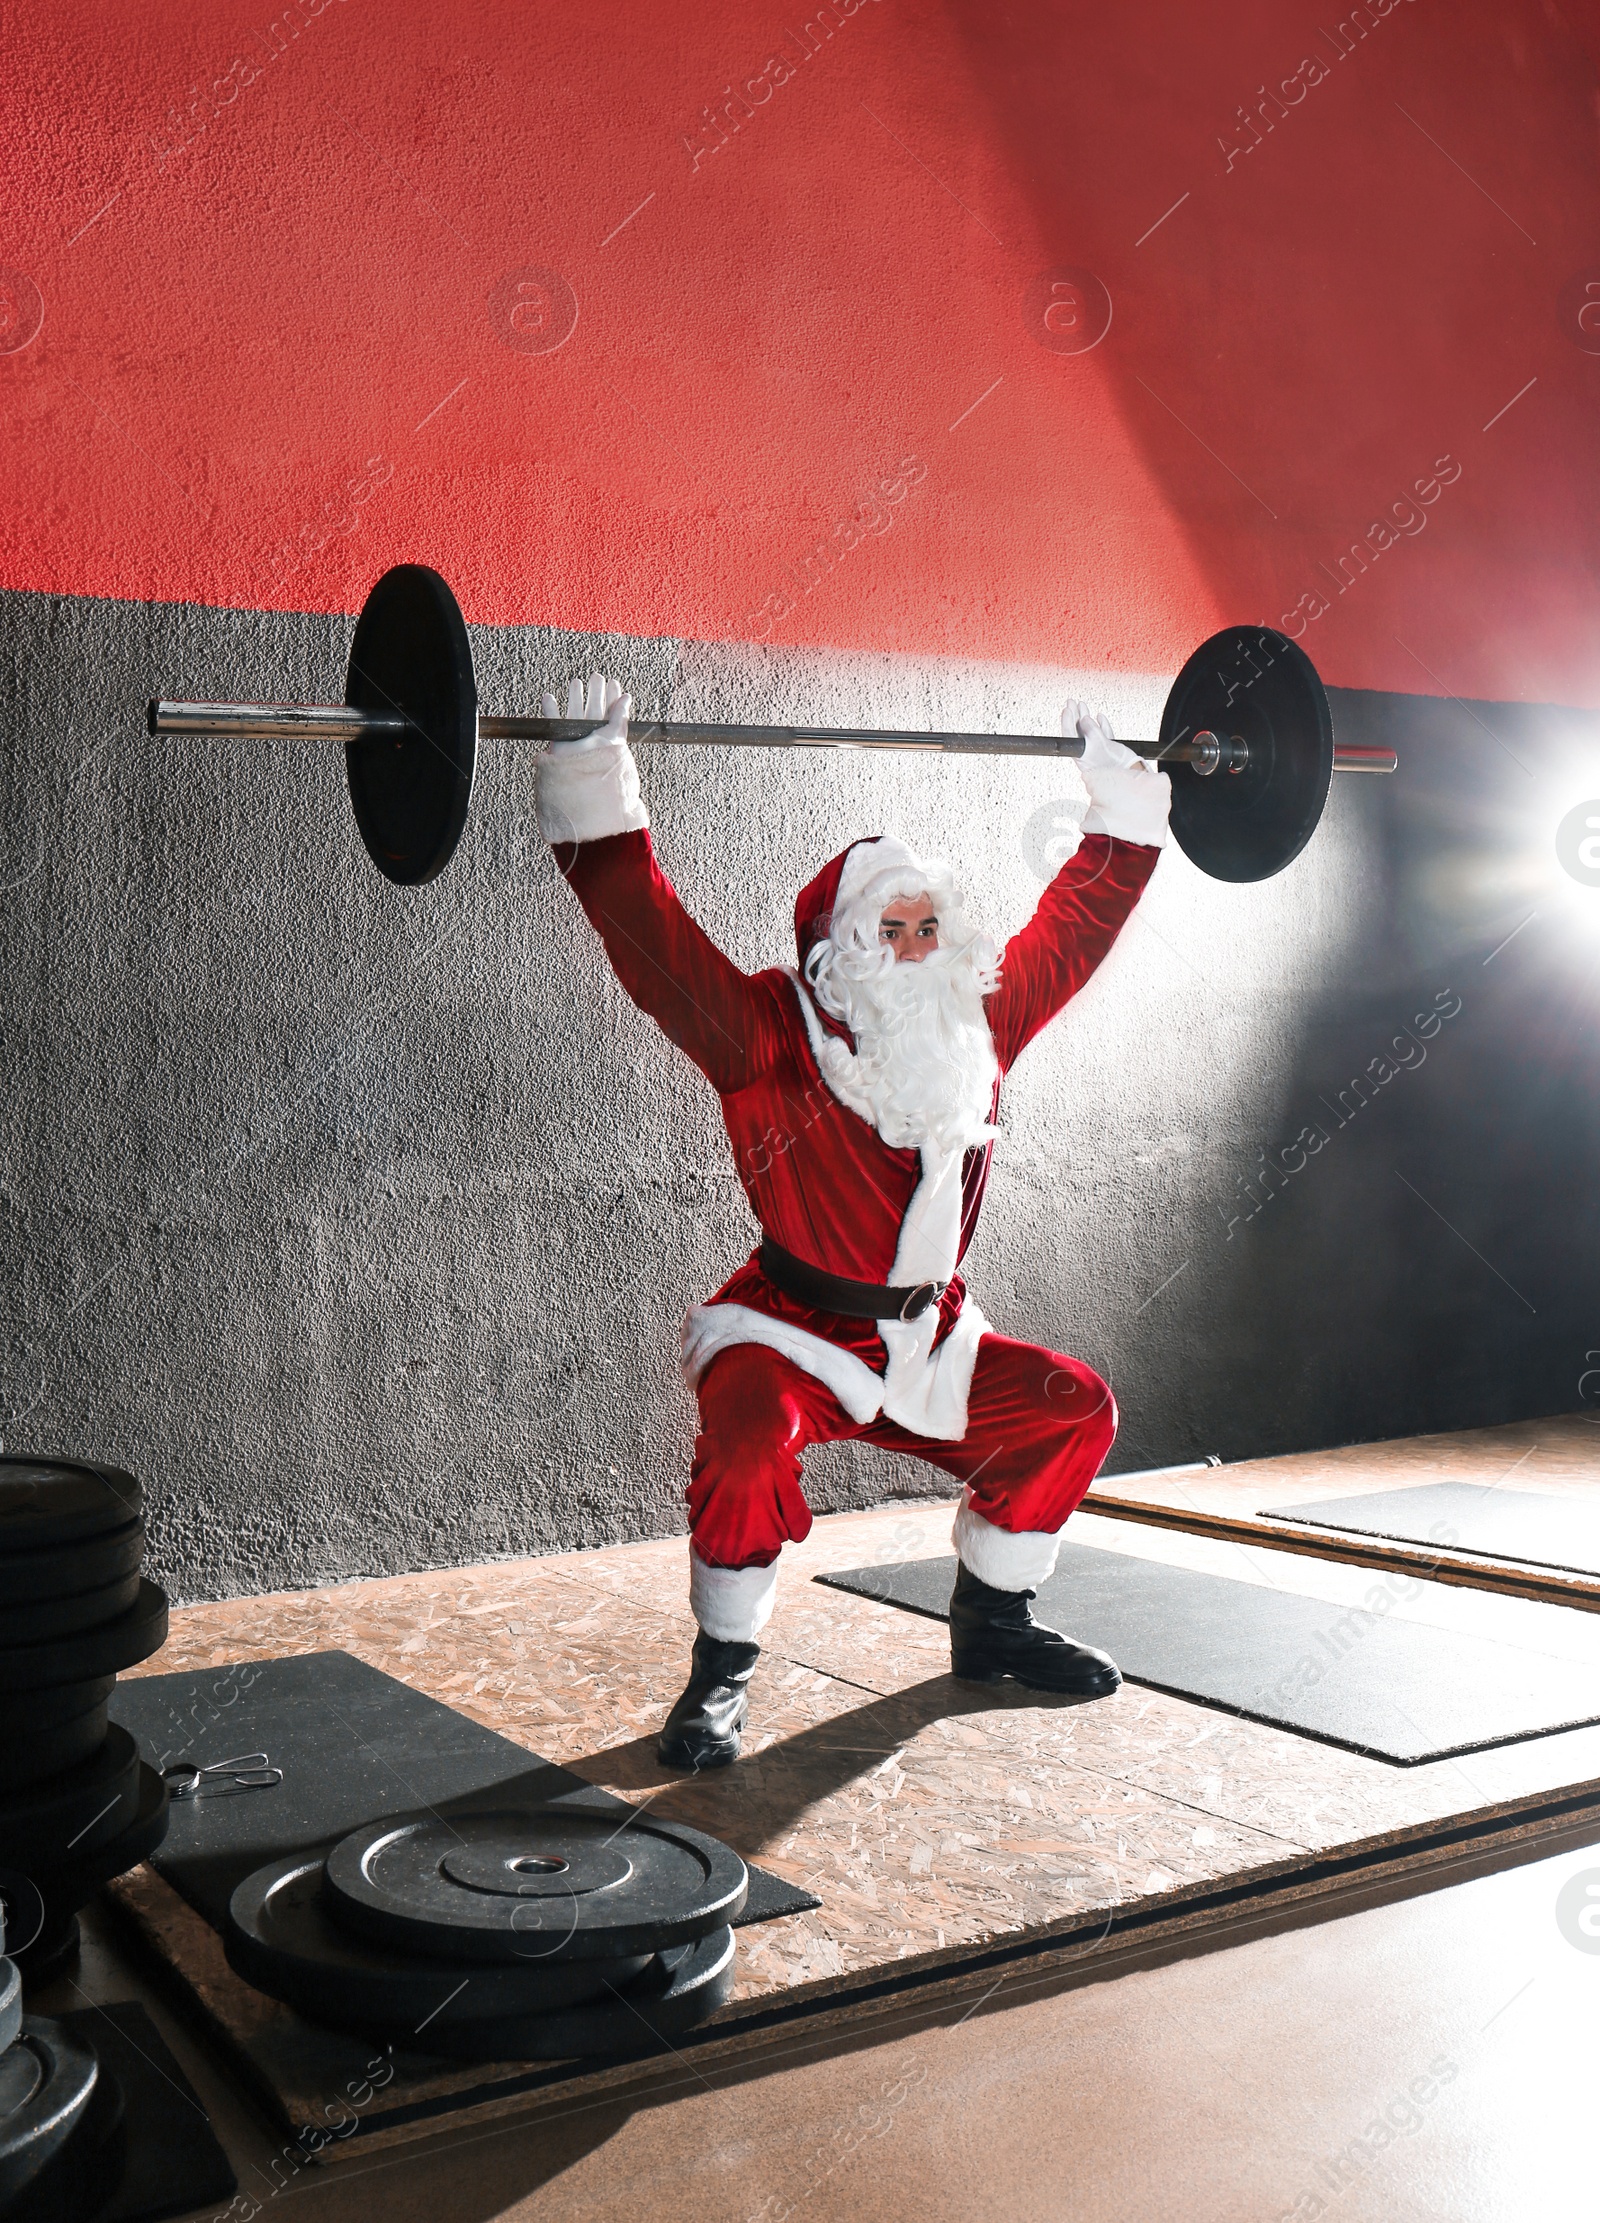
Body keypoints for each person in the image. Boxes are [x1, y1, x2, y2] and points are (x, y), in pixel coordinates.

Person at [536, 674, 1170, 1769]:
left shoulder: (978, 1027)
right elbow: (649, 940)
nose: (920, 945)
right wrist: (596, 773)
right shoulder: (765, 1037)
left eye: (931, 925)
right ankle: (720, 1675)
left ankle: (994, 1627)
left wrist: (1118, 802)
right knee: (741, 1453)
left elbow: (1076, 927)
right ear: (841, 946)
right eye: (895, 928)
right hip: (790, 1333)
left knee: (1073, 1412)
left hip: (933, 1337)